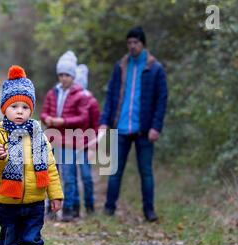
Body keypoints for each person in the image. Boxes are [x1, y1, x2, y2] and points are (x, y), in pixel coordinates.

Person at [0, 65, 63, 245]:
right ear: (4, 108)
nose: (19, 111)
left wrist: (55, 194)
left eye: (24, 107)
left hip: (35, 202)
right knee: (8, 243)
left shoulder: (38, 134)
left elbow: (50, 166)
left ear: (31, 109)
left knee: (33, 242)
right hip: (9, 202)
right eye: (14, 106)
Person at [99, 26, 168, 222]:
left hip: (144, 130)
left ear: (143, 44)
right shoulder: (120, 66)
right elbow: (111, 95)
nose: (132, 46)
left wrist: (156, 127)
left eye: (135, 42)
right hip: (119, 127)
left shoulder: (155, 69)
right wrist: (104, 121)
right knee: (113, 170)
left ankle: (149, 211)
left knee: (145, 172)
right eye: (129, 43)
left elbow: (161, 100)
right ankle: (109, 209)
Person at [40, 51, 89, 222]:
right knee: (52, 175)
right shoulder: (52, 93)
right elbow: (44, 112)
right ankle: (51, 208)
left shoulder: (80, 94)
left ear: (73, 76)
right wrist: (47, 119)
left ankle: (69, 209)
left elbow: (83, 118)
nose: (63, 78)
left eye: (67, 75)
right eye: (61, 74)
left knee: (69, 177)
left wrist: (63, 121)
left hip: (69, 141)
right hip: (53, 140)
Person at [73, 64, 100, 215]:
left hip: (85, 145)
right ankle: (75, 206)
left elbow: (95, 125)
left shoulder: (91, 102)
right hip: (70, 144)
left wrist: (93, 145)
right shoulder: (69, 100)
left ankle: (90, 205)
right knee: (72, 177)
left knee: (86, 176)